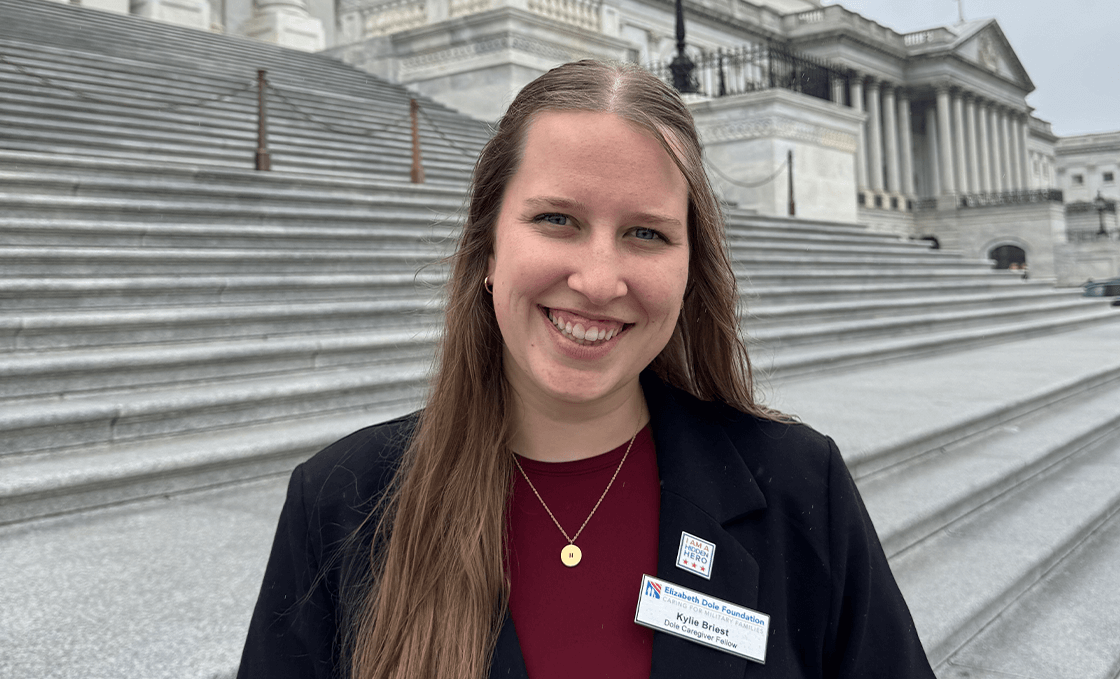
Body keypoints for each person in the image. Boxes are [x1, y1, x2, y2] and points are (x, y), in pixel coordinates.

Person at [238, 60, 935, 679]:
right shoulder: (338, 502)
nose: (600, 280)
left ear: (690, 268)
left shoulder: (799, 487)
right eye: (557, 219)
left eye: (646, 233)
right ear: (487, 250)